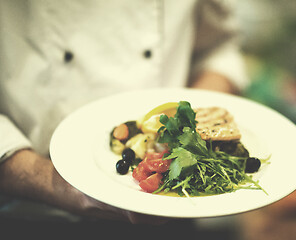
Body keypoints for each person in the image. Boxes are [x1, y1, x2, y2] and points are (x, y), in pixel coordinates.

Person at [0, 0, 248, 224]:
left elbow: (218, 50)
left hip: (176, 210)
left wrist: (196, 131)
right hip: (31, 212)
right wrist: (48, 181)